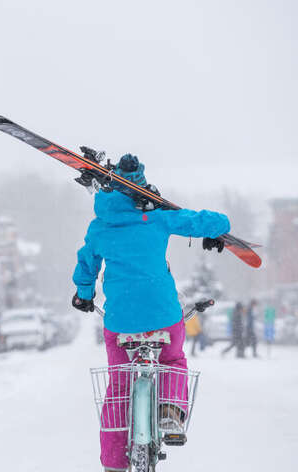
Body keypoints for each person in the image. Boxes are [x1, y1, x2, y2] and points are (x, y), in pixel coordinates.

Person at [70, 153, 230, 472]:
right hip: (163, 316)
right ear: (143, 189)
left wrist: (84, 296)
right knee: (172, 360)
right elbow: (206, 220)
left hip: (121, 321)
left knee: (119, 387)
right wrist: (217, 229)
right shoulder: (158, 218)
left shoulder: (100, 228)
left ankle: (114, 463)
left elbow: (87, 265)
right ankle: (170, 412)